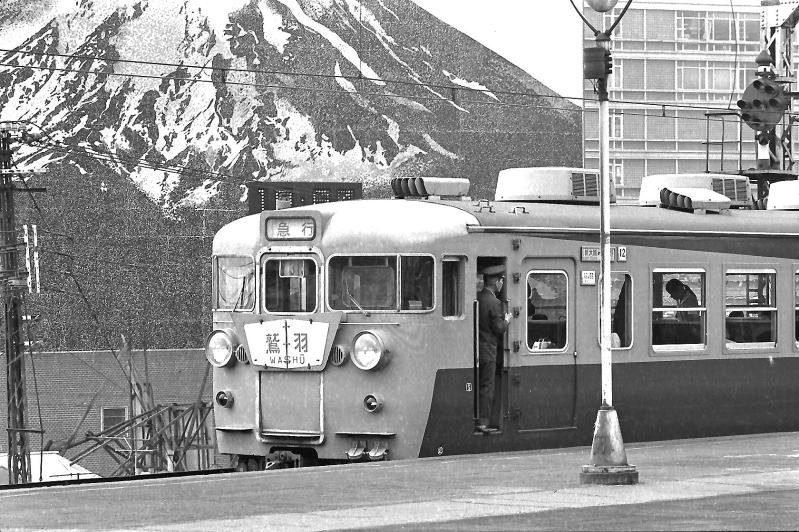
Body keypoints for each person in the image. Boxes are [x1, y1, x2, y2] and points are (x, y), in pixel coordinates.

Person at [477, 264, 512, 434]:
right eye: (501, 282)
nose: (502, 285)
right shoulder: (494, 302)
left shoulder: (479, 298)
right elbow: (498, 328)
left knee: (480, 385)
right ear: (497, 282)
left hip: (478, 350)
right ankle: (483, 422)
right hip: (489, 351)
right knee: (487, 386)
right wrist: (507, 320)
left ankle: (479, 419)